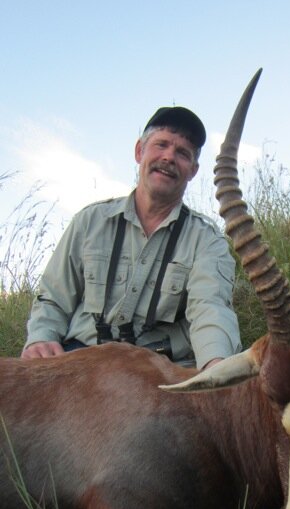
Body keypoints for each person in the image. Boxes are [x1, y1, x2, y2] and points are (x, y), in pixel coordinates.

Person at [21, 106, 241, 369]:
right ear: (139, 152)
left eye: (183, 153)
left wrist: (215, 365)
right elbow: (53, 298)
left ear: (193, 170)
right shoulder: (89, 221)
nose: (169, 157)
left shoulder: (207, 241)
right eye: (161, 145)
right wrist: (40, 338)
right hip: (81, 360)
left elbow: (211, 308)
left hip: (157, 370)